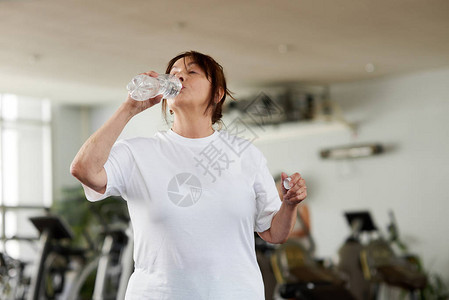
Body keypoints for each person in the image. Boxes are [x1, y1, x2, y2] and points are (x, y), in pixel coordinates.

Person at [70, 51, 307, 300]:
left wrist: (289, 204)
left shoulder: (246, 154)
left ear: (218, 94)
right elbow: (83, 169)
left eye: (191, 72)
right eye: (173, 73)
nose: (179, 76)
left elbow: (274, 233)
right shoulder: (137, 153)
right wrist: (129, 108)